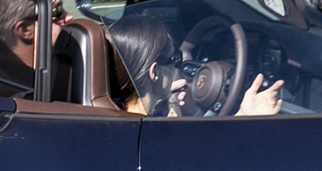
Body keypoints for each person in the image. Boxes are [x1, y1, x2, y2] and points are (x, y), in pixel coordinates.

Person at [106, 13, 284, 117]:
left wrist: (160, 100)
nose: (178, 68)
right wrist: (245, 117)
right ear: (154, 73)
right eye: (174, 59)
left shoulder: (112, 112)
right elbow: (205, 163)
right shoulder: (149, 135)